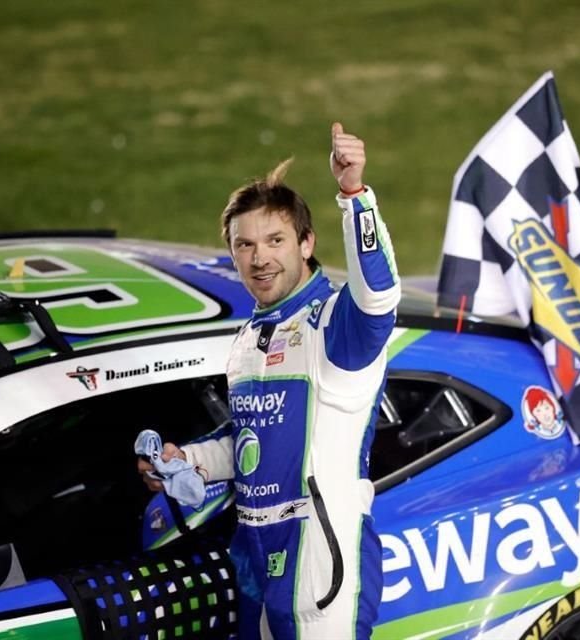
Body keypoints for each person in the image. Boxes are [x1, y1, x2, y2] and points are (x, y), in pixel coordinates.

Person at [138, 122, 400, 639]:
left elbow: (379, 299)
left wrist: (354, 196)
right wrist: (185, 460)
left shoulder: (333, 326)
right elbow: (251, 438)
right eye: (245, 245)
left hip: (321, 558)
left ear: (306, 243)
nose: (260, 258)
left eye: (275, 240)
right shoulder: (253, 333)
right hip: (257, 554)